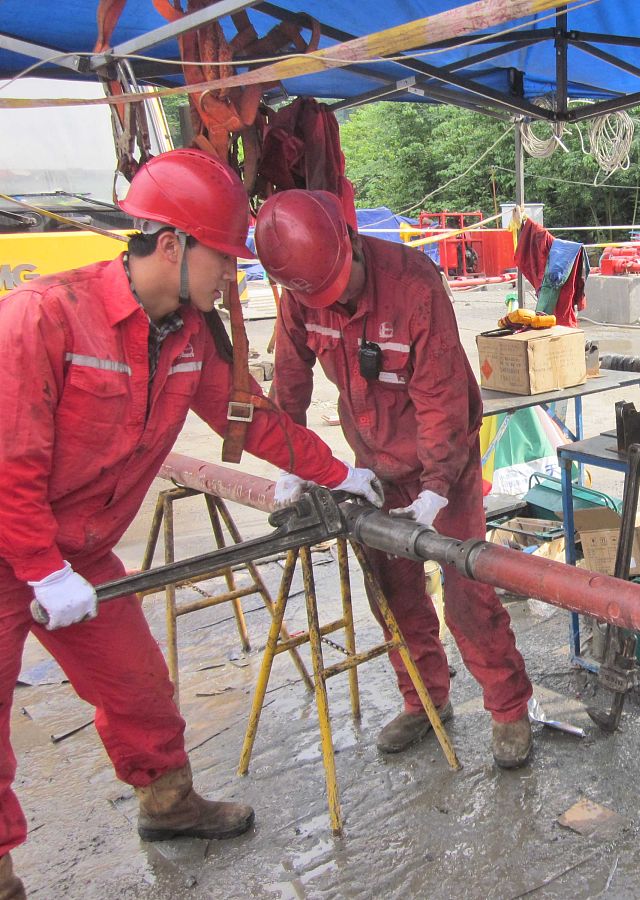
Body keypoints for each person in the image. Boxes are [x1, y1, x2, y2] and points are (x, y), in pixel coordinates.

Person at [0, 149, 385, 899]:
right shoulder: (42, 316)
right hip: (12, 543)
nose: (231, 278)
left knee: (139, 686)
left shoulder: (184, 333)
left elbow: (248, 419)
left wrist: (338, 472)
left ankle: (170, 805)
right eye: (224, 260)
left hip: (83, 552)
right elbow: (8, 462)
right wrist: (41, 567)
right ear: (171, 245)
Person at [255, 189, 535, 770]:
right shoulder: (301, 293)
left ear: (351, 245)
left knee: (467, 592)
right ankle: (424, 700)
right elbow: (289, 379)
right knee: (392, 594)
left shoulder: (413, 283)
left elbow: (442, 394)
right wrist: (290, 459)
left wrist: (436, 486)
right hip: (372, 468)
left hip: (444, 464)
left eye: (342, 291)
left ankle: (508, 712)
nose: (338, 304)